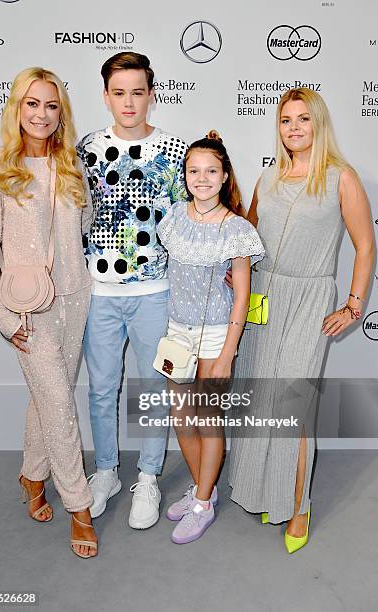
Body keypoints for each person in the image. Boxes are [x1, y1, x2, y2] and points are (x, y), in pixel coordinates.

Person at [229, 88, 375, 553]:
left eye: (303, 120)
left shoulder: (341, 178)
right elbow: (246, 237)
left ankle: (298, 505)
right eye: (285, 120)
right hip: (262, 298)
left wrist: (353, 305)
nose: (293, 128)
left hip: (309, 299)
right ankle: (257, 490)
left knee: (293, 404)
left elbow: (365, 245)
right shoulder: (267, 179)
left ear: (319, 125)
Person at [0, 67, 98, 559]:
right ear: (17, 108)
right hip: (27, 309)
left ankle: (32, 473)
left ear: (60, 112)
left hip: (75, 296)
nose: (41, 114)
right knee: (61, 409)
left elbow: (83, 221)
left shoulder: (71, 166)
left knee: (51, 397)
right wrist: (4, 317)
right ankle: (81, 507)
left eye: (51, 105)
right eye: (32, 104)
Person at [77, 52, 188, 528]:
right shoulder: (85, 149)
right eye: (119, 93)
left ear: (151, 94)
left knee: (154, 389)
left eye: (137, 92)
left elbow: (190, 222)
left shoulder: (176, 151)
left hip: (154, 291)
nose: (128, 102)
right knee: (102, 390)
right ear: (106, 96)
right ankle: (105, 471)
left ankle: (147, 476)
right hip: (99, 291)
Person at [157, 131, 265, 543]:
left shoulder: (236, 229)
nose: (201, 179)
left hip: (216, 333)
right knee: (181, 416)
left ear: (224, 177)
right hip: (176, 333)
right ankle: (205, 488)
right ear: (185, 175)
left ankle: (201, 501)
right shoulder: (174, 218)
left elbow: (242, 296)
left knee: (207, 417)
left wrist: (227, 353)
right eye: (194, 171)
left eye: (211, 171)